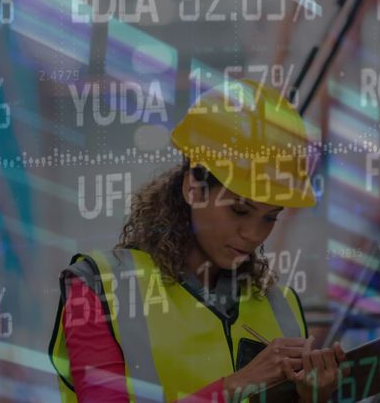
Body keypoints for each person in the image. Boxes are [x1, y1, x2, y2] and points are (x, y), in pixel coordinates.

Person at [49, 79, 347, 402]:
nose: (253, 234)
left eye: (270, 218)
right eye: (239, 210)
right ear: (194, 186)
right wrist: (234, 387)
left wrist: (312, 399)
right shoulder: (97, 289)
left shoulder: (281, 306)